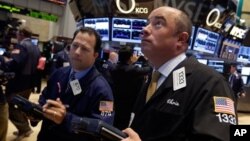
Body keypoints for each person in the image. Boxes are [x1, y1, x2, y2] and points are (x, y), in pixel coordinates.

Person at [121, 6, 237, 141]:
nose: (145, 29)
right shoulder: (153, 78)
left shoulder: (212, 84)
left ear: (181, 39)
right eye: (148, 23)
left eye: (158, 23)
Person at [33, 27, 114, 141]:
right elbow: (45, 96)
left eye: (85, 49)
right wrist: (37, 113)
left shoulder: (104, 91)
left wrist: (66, 119)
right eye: (75, 45)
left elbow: (105, 127)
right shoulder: (59, 74)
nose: (77, 52)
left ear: (95, 55)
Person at [4, 26, 40, 141]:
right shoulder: (36, 47)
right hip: (30, 82)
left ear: (21, 34)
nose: (16, 35)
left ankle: (24, 129)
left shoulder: (21, 45)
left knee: (10, 106)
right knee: (22, 106)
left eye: (17, 33)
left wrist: (5, 62)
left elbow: (15, 63)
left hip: (19, 82)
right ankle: (23, 128)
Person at [111, 46, 152, 130]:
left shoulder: (113, 68)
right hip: (129, 104)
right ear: (130, 57)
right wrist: (145, 59)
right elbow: (149, 69)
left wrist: (132, 62)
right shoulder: (133, 70)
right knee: (124, 126)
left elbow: (126, 69)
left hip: (115, 102)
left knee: (115, 124)